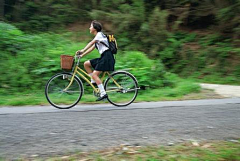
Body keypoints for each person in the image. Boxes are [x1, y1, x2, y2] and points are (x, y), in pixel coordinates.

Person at [76, 20, 115, 101]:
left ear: (95, 28)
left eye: (91, 26)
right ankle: (93, 82)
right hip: (104, 57)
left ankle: (103, 93)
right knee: (86, 64)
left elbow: (91, 43)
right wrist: (82, 55)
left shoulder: (99, 35)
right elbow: (91, 48)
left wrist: (82, 50)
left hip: (107, 57)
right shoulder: (98, 37)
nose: (89, 28)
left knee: (95, 74)